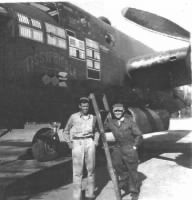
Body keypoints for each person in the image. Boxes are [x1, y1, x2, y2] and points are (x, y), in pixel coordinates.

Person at [63, 97, 99, 200]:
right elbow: (66, 131)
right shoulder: (73, 117)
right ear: (79, 106)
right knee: (77, 171)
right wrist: (69, 143)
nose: (85, 107)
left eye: (87, 105)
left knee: (91, 169)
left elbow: (96, 131)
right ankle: (77, 196)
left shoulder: (93, 117)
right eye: (83, 105)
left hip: (89, 142)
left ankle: (90, 194)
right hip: (77, 143)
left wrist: (95, 141)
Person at [104, 103, 143, 200]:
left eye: (119, 111)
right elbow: (102, 127)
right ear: (113, 112)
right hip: (118, 148)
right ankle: (125, 178)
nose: (118, 113)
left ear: (123, 111)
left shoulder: (130, 122)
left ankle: (134, 192)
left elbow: (139, 135)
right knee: (116, 164)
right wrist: (105, 115)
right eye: (116, 111)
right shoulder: (111, 122)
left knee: (132, 170)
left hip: (129, 147)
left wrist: (135, 146)